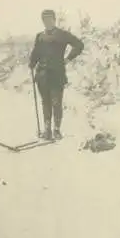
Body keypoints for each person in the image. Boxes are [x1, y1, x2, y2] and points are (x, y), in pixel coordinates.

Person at [28, 9, 84, 141]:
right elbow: (36, 53)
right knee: (45, 103)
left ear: (54, 20)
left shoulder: (62, 35)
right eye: (44, 20)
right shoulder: (40, 36)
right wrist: (31, 63)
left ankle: (56, 131)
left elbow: (79, 45)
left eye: (49, 19)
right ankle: (47, 131)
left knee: (56, 103)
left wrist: (68, 58)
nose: (47, 22)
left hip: (57, 75)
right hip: (42, 75)